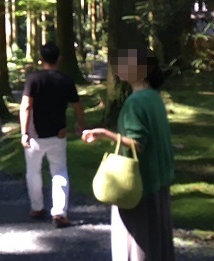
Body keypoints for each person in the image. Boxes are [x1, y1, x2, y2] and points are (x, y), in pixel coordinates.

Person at [81, 48, 175, 260]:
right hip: (158, 181)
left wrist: (105, 134)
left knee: (135, 245)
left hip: (138, 185)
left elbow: (137, 144)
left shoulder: (135, 103)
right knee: (157, 242)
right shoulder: (154, 97)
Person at [20, 42, 85, 229]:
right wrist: (80, 124)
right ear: (59, 59)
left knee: (33, 171)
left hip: (34, 135)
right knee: (59, 171)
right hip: (58, 134)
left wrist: (24, 132)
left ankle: (36, 207)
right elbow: (78, 106)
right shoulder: (66, 80)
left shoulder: (33, 79)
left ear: (41, 59)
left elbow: (26, 106)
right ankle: (59, 212)